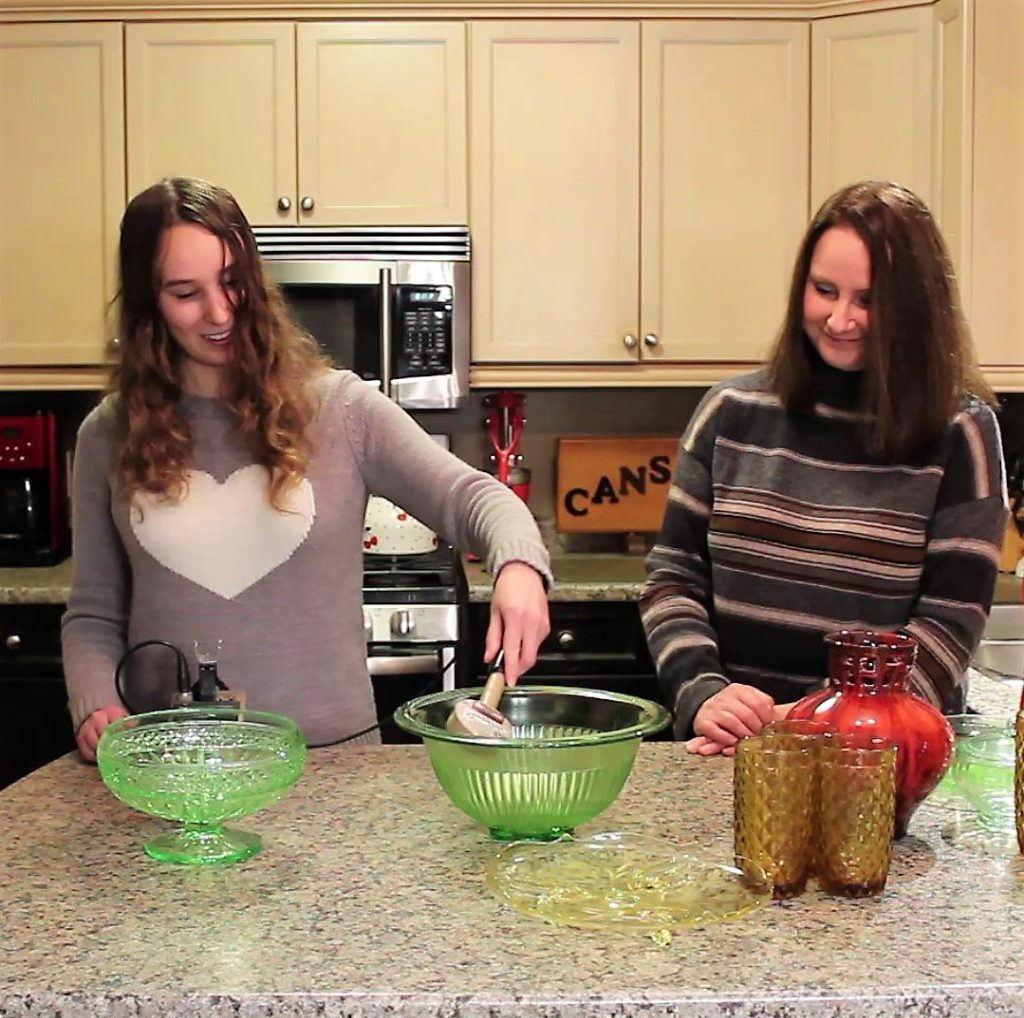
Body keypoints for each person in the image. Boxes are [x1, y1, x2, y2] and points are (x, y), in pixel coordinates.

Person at [62, 177, 551, 761]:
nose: (219, 312)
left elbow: (477, 499)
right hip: (176, 774)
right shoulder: (107, 435)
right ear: (150, 305)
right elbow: (93, 613)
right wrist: (96, 703)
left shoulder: (339, 409)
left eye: (232, 282)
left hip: (334, 770)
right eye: (185, 293)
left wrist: (519, 566)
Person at [640, 180, 1009, 756]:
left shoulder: (961, 435)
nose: (840, 319)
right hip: (729, 753)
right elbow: (674, 579)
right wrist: (704, 693)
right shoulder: (730, 413)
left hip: (883, 763)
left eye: (868, 300)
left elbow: (949, 625)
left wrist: (810, 721)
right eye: (824, 290)